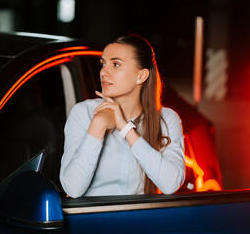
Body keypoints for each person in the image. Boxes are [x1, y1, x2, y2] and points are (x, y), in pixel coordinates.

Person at [59, 34, 185, 198]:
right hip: (92, 220)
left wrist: (126, 128)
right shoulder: (83, 113)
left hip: (142, 220)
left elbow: (171, 185)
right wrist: (98, 124)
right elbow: (72, 189)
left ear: (141, 76)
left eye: (116, 64)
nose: (104, 72)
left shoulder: (166, 119)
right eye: (103, 64)